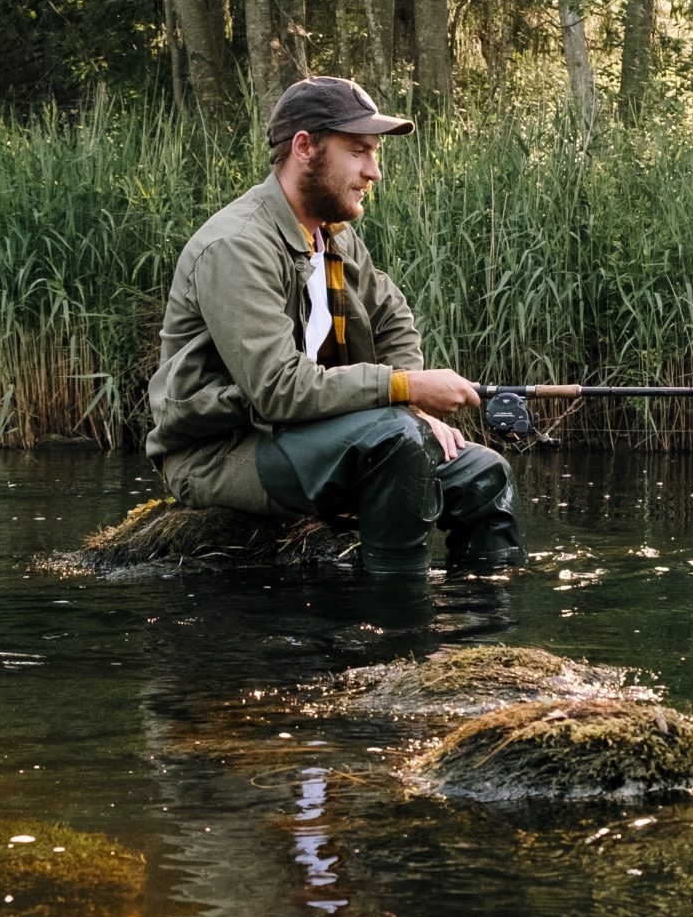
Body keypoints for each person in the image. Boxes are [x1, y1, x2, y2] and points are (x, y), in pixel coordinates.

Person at [143, 76, 523, 575]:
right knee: (398, 441)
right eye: (359, 151)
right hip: (221, 451)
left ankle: (482, 618)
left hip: (313, 437)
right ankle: (399, 608)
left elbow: (392, 318)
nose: (374, 171)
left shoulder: (331, 237)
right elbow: (277, 390)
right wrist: (404, 389)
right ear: (304, 147)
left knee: (484, 474)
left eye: (375, 154)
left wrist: (409, 405)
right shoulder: (237, 246)